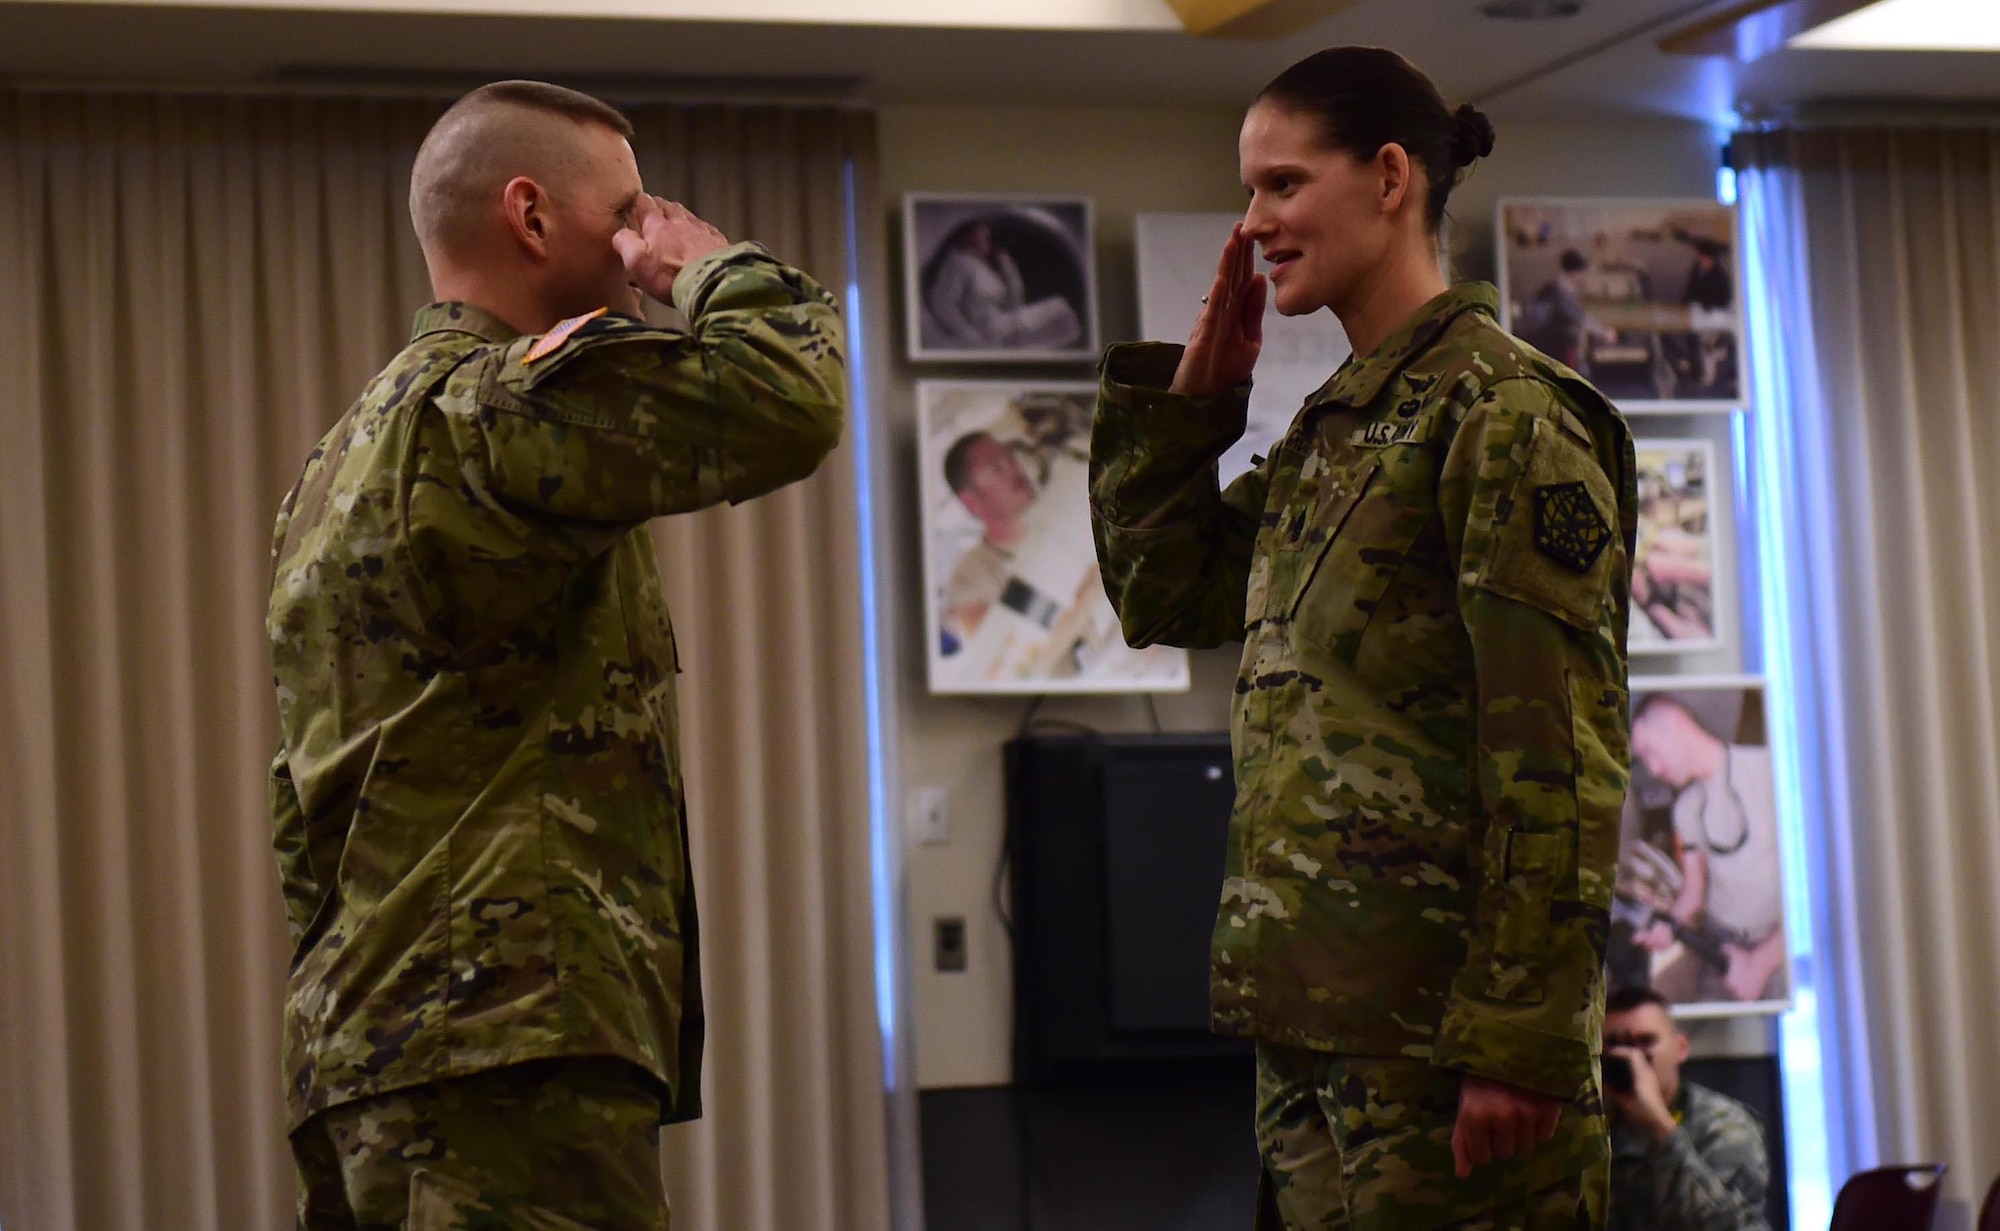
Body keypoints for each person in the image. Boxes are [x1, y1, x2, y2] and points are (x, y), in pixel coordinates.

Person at [266, 80, 846, 1231]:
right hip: (503, 1043)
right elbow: (790, 400)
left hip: (377, 1042)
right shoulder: (499, 411)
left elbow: (302, 806)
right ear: (531, 216)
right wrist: (710, 268)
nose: (642, 241)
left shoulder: (335, 461)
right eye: (628, 212)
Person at [1090, 45, 1637, 1231]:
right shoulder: (1336, 428)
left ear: (1390, 177)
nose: (1253, 225)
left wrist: (1521, 1036)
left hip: (1448, 1040)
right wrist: (1186, 418)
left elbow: (1558, 756)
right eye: (1250, 191)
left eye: (1281, 185)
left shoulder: (1502, 412)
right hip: (1314, 1026)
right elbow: (1165, 598)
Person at [1628, 697, 1785, 1004]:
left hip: (1778, 949)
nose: (1654, 769)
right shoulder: (1686, 809)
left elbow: (1822, 885)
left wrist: (1762, 963)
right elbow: (1694, 890)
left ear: (1673, 727)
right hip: (1718, 947)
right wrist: (1668, 925)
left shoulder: (1769, 770)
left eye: (1649, 753)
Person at [1603, 987, 1772, 1231]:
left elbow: (1721, 1226)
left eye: (1645, 1042)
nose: (1632, 1058)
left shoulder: (1725, 1124)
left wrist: (1659, 1123)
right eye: (1615, 1045)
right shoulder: (1592, 1125)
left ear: (1681, 1048)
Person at [924, 217, 1083, 351]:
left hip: (1004, 321)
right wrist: (968, 335)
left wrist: (1009, 270)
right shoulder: (957, 262)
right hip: (988, 330)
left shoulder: (981, 267)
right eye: (982, 235)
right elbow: (942, 303)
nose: (987, 240)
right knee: (1059, 310)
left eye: (988, 236)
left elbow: (1014, 303)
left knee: (1060, 306)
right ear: (967, 237)